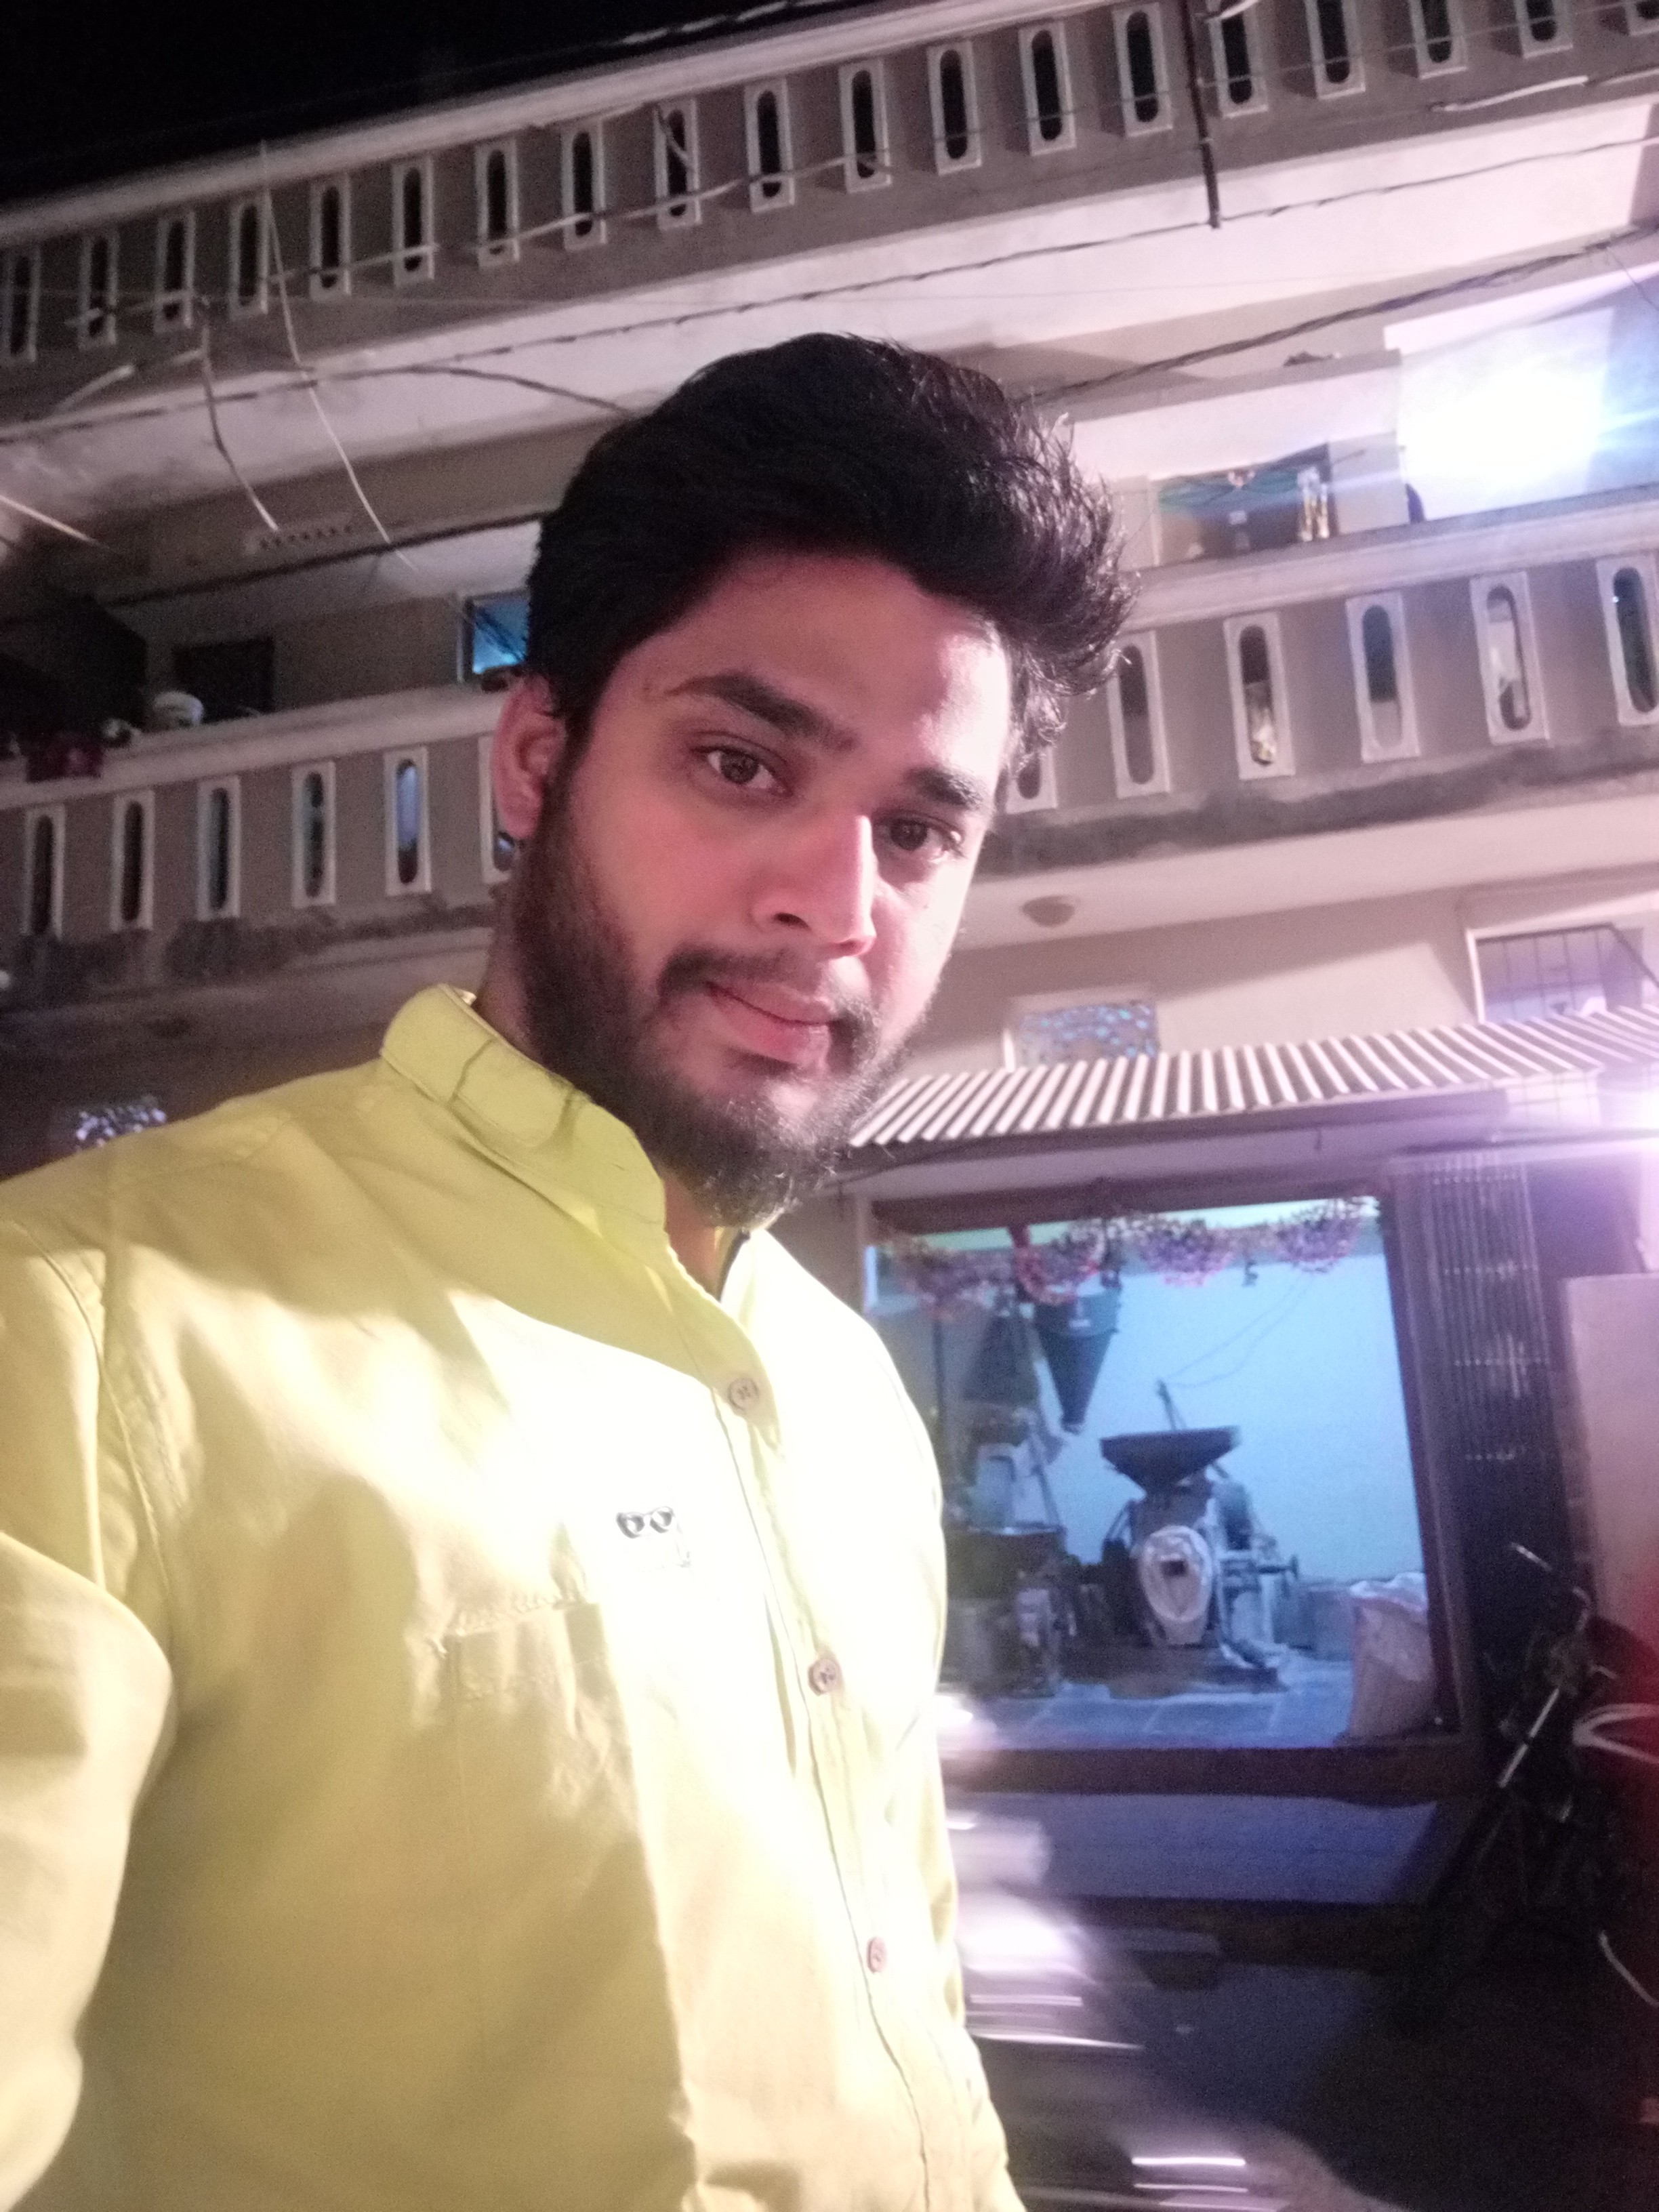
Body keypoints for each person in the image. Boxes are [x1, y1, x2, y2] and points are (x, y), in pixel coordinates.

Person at [0, 334, 1126, 2212]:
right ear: (537, 759)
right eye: (740, 762)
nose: (839, 907)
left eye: (922, 829)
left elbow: (908, 2019)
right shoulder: (79, 1335)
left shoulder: (843, 1389)